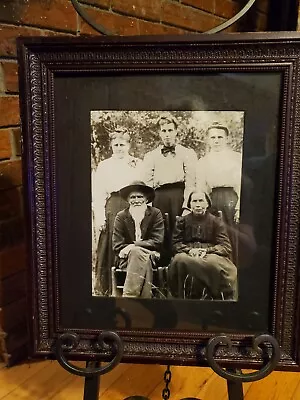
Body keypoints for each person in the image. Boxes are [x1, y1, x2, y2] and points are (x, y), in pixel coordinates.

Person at [92, 128, 141, 296]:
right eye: (116, 145)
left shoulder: (137, 163)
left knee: (132, 241)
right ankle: (107, 286)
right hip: (112, 205)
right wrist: (100, 217)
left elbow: (142, 187)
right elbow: (98, 193)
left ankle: (131, 283)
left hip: (132, 204)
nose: (119, 148)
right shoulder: (104, 165)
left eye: (122, 144)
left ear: (129, 145)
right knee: (111, 242)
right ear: (111, 146)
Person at [168, 191, 237, 300]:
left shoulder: (216, 221)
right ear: (189, 204)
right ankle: (187, 295)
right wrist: (189, 250)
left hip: (210, 254)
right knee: (180, 259)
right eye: (194, 201)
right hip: (187, 254)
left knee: (212, 263)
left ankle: (213, 295)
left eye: (201, 200)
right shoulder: (182, 221)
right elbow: (175, 244)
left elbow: (225, 246)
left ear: (207, 204)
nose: (198, 204)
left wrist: (207, 251)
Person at [143, 113, 197, 234]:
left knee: (179, 231)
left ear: (176, 131)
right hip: (159, 198)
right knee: (160, 233)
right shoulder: (151, 156)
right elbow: (147, 184)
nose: (167, 134)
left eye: (170, 130)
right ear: (159, 133)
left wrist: (187, 206)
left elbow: (190, 182)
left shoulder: (187, 153)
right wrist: (149, 206)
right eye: (164, 131)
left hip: (178, 197)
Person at [112, 181, 164, 298]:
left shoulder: (155, 214)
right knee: (138, 255)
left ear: (146, 199)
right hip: (126, 259)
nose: (136, 200)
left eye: (140, 197)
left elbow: (157, 241)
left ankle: (129, 297)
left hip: (152, 255)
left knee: (137, 253)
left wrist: (133, 245)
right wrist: (133, 249)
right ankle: (145, 300)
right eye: (132, 197)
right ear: (128, 200)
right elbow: (117, 245)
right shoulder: (121, 216)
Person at [196, 122, 243, 225]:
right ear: (208, 140)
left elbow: (241, 185)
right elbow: (201, 188)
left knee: (232, 233)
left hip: (231, 199)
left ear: (227, 139)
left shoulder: (237, 158)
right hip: (212, 201)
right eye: (213, 137)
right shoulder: (203, 161)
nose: (216, 141)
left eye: (220, 137)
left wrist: (239, 207)